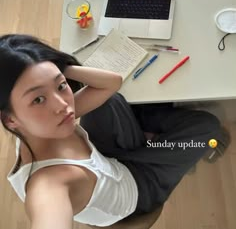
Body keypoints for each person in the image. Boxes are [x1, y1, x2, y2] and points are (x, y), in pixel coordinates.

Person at [0, 34, 226, 228]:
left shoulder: (40, 124)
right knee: (207, 127)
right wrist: (54, 75)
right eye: (38, 99)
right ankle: (159, 142)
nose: (63, 105)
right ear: (10, 120)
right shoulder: (47, 186)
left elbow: (111, 83)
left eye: (61, 85)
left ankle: (155, 140)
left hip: (106, 160)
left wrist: (57, 67)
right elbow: (48, 213)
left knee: (109, 100)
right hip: (139, 189)